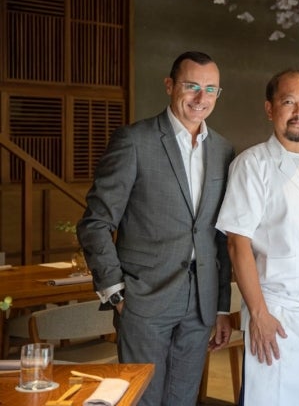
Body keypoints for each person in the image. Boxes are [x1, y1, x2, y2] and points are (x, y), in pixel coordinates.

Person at [76, 51, 235, 406]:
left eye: (211, 89)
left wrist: (221, 306)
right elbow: (95, 223)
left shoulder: (224, 150)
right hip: (143, 299)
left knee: (182, 399)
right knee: (143, 399)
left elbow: (220, 237)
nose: (200, 98)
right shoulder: (134, 141)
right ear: (169, 86)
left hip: (201, 301)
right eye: (191, 86)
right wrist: (116, 292)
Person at [215, 69, 299, 406]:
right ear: (269, 108)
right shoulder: (252, 164)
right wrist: (258, 315)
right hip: (276, 314)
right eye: (288, 102)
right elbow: (237, 244)